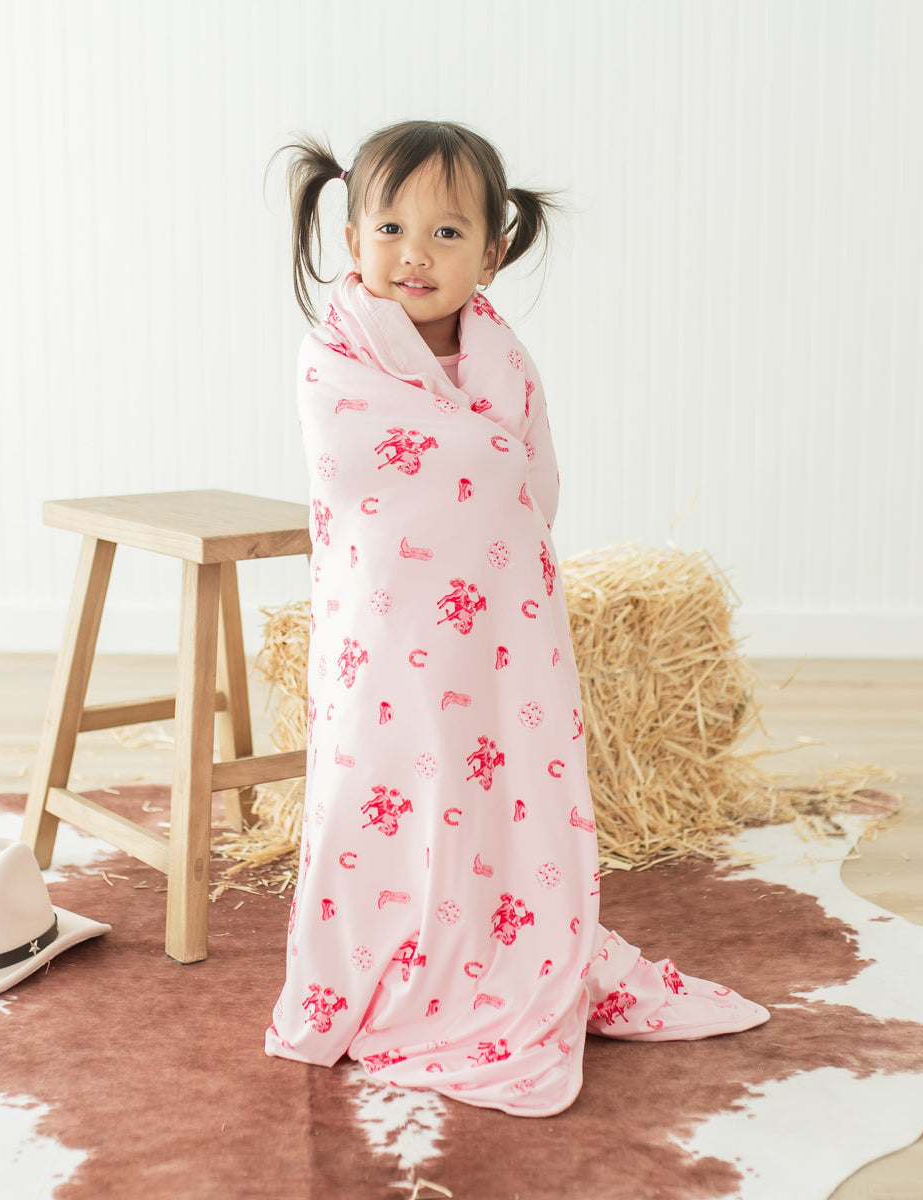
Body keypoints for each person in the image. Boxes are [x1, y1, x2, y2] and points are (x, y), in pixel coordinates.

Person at [264, 120, 768, 1117]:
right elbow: (367, 474)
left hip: (496, 626)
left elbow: (534, 483)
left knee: (490, 783)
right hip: (388, 633)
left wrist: (481, 482)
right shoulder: (335, 360)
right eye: (393, 227)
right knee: (391, 785)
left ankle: (504, 937)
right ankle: (382, 963)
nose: (417, 253)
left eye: (449, 233)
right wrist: (472, 470)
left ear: (493, 250)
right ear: (352, 237)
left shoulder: (505, 358)